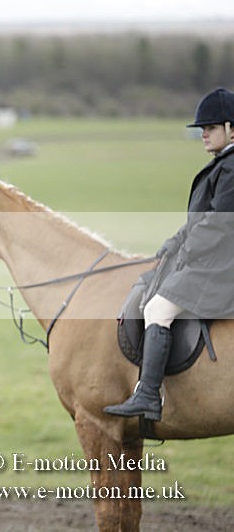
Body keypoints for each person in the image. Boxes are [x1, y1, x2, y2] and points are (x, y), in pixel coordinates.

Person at [105, 87, 234, 421]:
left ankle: (148, 395)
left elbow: (218, 227)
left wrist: (186, 252)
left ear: (231, 128)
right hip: (211, 259)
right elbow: (199, 221)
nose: (203, 133)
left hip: (220, 268)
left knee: (158, 307)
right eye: (201, 128)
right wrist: (173, 243)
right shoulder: (223, 163)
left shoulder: (232, 167)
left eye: (211, 127)